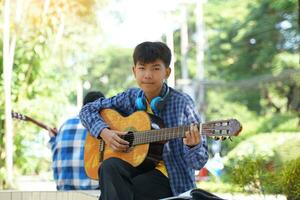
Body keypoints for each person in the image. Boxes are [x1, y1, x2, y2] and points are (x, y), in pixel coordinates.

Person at [79, 41, 209, 200]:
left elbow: (199, 162)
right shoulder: (130, 98)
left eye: (155, 68)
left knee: (125, 189)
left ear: (166, 72)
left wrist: (193, 145)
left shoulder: (183, 103)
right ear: (134, 71)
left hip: (170, 181)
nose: (147, 75)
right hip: (134, 170)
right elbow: (87, 110)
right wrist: (104, 132)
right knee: (109, 166)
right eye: (142, 68)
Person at [48, 91, 105, 190]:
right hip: (92, 188)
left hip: (64, 189)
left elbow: (57, 153)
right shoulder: (103, 127)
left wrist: (53, 139)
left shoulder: (66, 124)